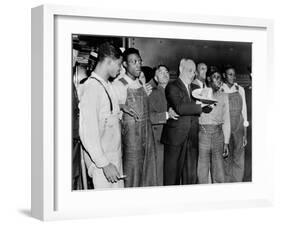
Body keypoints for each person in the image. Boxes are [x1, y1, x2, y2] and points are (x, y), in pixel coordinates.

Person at [79, 42, 124, 189]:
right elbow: (88, 133)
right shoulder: (92, 88)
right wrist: (104, 164)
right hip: (103, 165)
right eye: (119, 64)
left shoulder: (106, 85)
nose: (120, 69)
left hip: (113, 158)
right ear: (109, 61)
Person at [161, 59, 211, 185]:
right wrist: (201, 106)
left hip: (192, 137)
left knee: (191, 177)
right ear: (180, 69)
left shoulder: (195, 88)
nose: (193, 74)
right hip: (175, 138)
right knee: (172, 177)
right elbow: (180, 107)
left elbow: (205, 106)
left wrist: (209, 104)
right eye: (190, 71)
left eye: (194, 72)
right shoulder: (172, 86)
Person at [112, 48, 157, 187]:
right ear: (125, 64)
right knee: (132, 178)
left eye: (139, 61)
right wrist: (121, 106)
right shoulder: (118, 85)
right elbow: (111, 110)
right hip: (131, 141)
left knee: (147, 176)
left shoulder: (140, 83)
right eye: (134, 62)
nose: (138, 65)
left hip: (147, 137)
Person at [197, 66, 230, 184]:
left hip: (218, 135)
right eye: (215, 77)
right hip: (203, 135)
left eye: (220, 78)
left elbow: (227, 119)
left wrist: (226, 142)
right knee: (202, 169)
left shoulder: (224, 96)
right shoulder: (199, 94)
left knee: (219, 170)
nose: (219, 80)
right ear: (208, 79)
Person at [148, 65, 179, 186]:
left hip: (175, 139)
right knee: (160, 174)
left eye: (166, 71)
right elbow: (150, 117)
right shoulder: (153, 93)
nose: (165, 74)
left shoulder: (175, 92)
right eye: (160, 72)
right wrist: (167, 115)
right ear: (155, 77)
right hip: (159, 140)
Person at [221, 65, 249, 182]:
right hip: (224, 128)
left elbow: (244, 112)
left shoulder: (240, 89)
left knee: (238, 157)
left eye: (234, 74)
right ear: (224, 75)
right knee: (226, 157)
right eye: (230, 74)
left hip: (238, 128)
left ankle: (238, 183)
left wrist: (245, 134)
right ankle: (226, 184)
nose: (233, 77)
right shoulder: (220, 89)